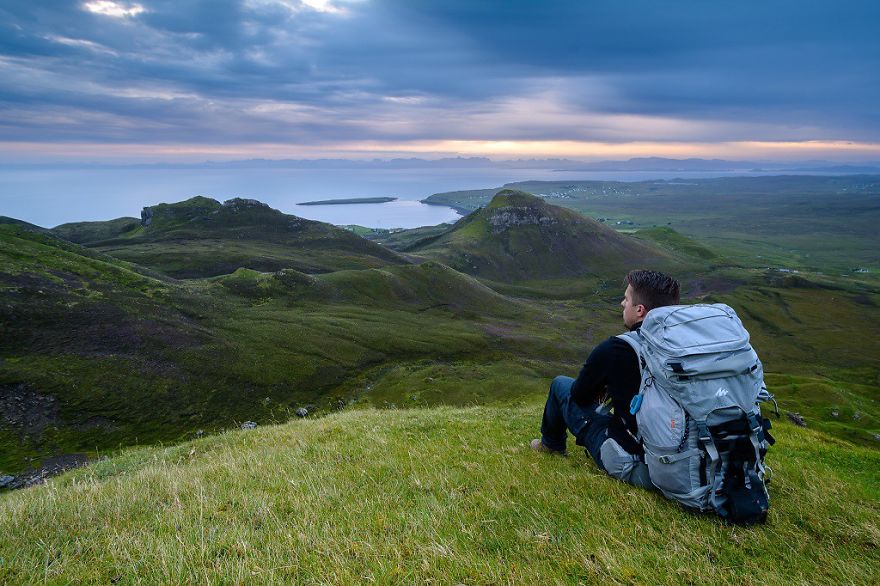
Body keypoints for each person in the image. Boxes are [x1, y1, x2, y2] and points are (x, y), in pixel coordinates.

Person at [530, 269, 681, 488]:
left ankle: (551, 445)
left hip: (639, 464)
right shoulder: (692, 347)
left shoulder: (616, 348)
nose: (622, 303)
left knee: (561, 385)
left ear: (640, 310)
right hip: (691, 459)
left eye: (626, 299)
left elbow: (580, 395)